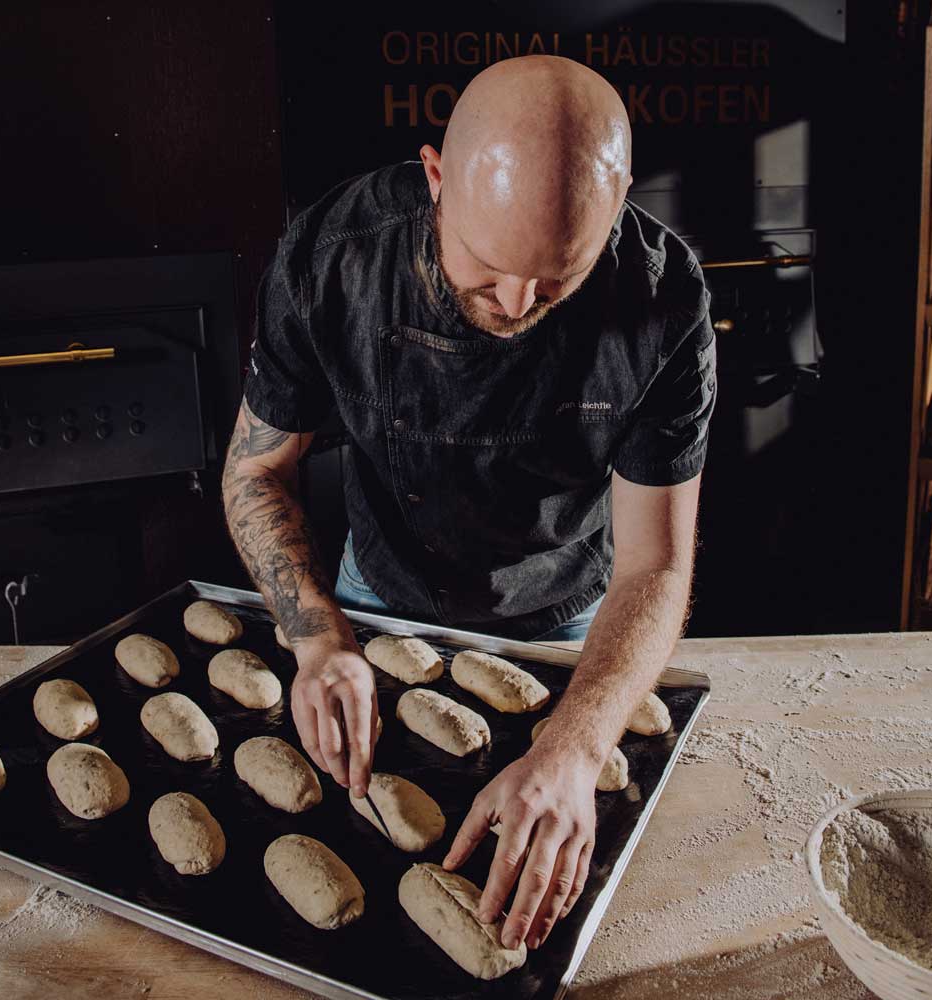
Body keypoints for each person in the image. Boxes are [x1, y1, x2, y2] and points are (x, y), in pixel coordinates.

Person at [223, 54, 716, 953]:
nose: (521, 304)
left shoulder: (663, 301)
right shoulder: (334, 259)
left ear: (620, 200)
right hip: (375, 595)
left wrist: (572, 748)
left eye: (559, 279)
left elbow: (657, 562)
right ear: (437, 178)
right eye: (488, 269)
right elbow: (256, 472)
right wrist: (316, 637)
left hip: (568, 619)